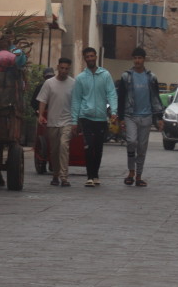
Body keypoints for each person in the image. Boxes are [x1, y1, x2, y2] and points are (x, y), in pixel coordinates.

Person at [116, 46, 163, 187]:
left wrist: (159, 117)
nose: (137, 61)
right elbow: (121, 97)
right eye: (135, 58)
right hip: (130, 115)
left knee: (142, 147)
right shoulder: (126, 77)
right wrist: (120, 117)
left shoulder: (151, 77)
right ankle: (131, 171)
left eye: (140, 58)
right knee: (131, 141)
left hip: (146, 116)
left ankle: (139, 176)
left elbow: (155, 97)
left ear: (144, 59)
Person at [70, 46, 118, 187]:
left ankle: (96, 175)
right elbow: (76, 100)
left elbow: (111, 93)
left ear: (96, 57)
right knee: (89, 147)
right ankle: (90, 176)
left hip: (101, 118)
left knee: (98, 148)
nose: (90, 58)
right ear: (84, 59)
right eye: (87, 56)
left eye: (92, 56)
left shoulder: (105, 75)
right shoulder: (80, 78)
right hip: (86, 117)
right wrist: (74, 121)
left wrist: (114, 111)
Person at [36, 58, 76, 187]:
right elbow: (43, 100)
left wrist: (76, 121)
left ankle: (64, 177)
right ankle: (55, 174)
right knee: (54, 151)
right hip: (52, 122)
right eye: (62, 68)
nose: (64, 71)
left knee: (64, 146)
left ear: (69, 69)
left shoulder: (73, 84)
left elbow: (76, 103)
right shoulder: (49, 83)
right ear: (58, 67)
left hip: (67, 121)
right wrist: (41, 115)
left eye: (66, 69)